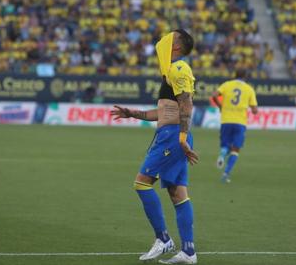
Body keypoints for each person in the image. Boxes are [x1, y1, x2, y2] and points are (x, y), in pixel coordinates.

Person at [111, 29, 199, 264]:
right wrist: (133, 113)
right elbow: (163, 112)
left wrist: (181, 137)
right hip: (172, 134)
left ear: (176, 47)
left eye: (170, 37)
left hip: (173, 137)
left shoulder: (179, 68)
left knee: (141, 183)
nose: (164, 39)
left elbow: (186, 105)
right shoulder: (171, 72)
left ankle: (163, 239)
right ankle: (189, 252)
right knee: (178, 194)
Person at [210, 70, 258, 183]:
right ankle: (226, 173)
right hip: (240, 122)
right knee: (236, 149)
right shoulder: (249, 89)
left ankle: (222, 154)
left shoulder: (227, 85)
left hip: (226, 120)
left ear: (235, 75)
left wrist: (220, 106)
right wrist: (254, 110)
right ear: (245, 77)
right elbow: (255, 110)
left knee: (225, 146)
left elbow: (214, 95)